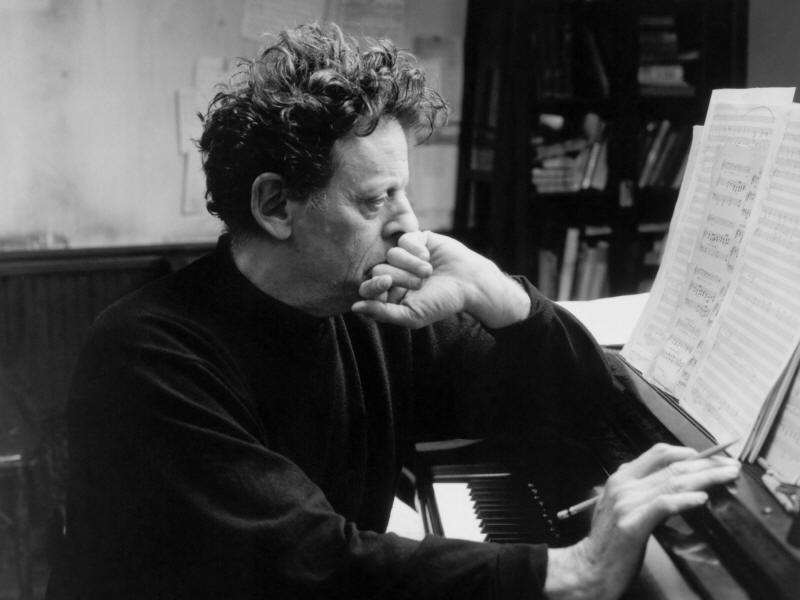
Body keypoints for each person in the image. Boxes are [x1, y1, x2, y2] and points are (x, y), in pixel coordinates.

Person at [46, 22, 740, 600]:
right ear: (276, 205)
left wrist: (504, 299)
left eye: (403, 192)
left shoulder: (365, 308)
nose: (409, 224)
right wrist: (573, 570)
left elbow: (581, 414)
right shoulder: (147, 354)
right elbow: (306, 561)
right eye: (376, 199)